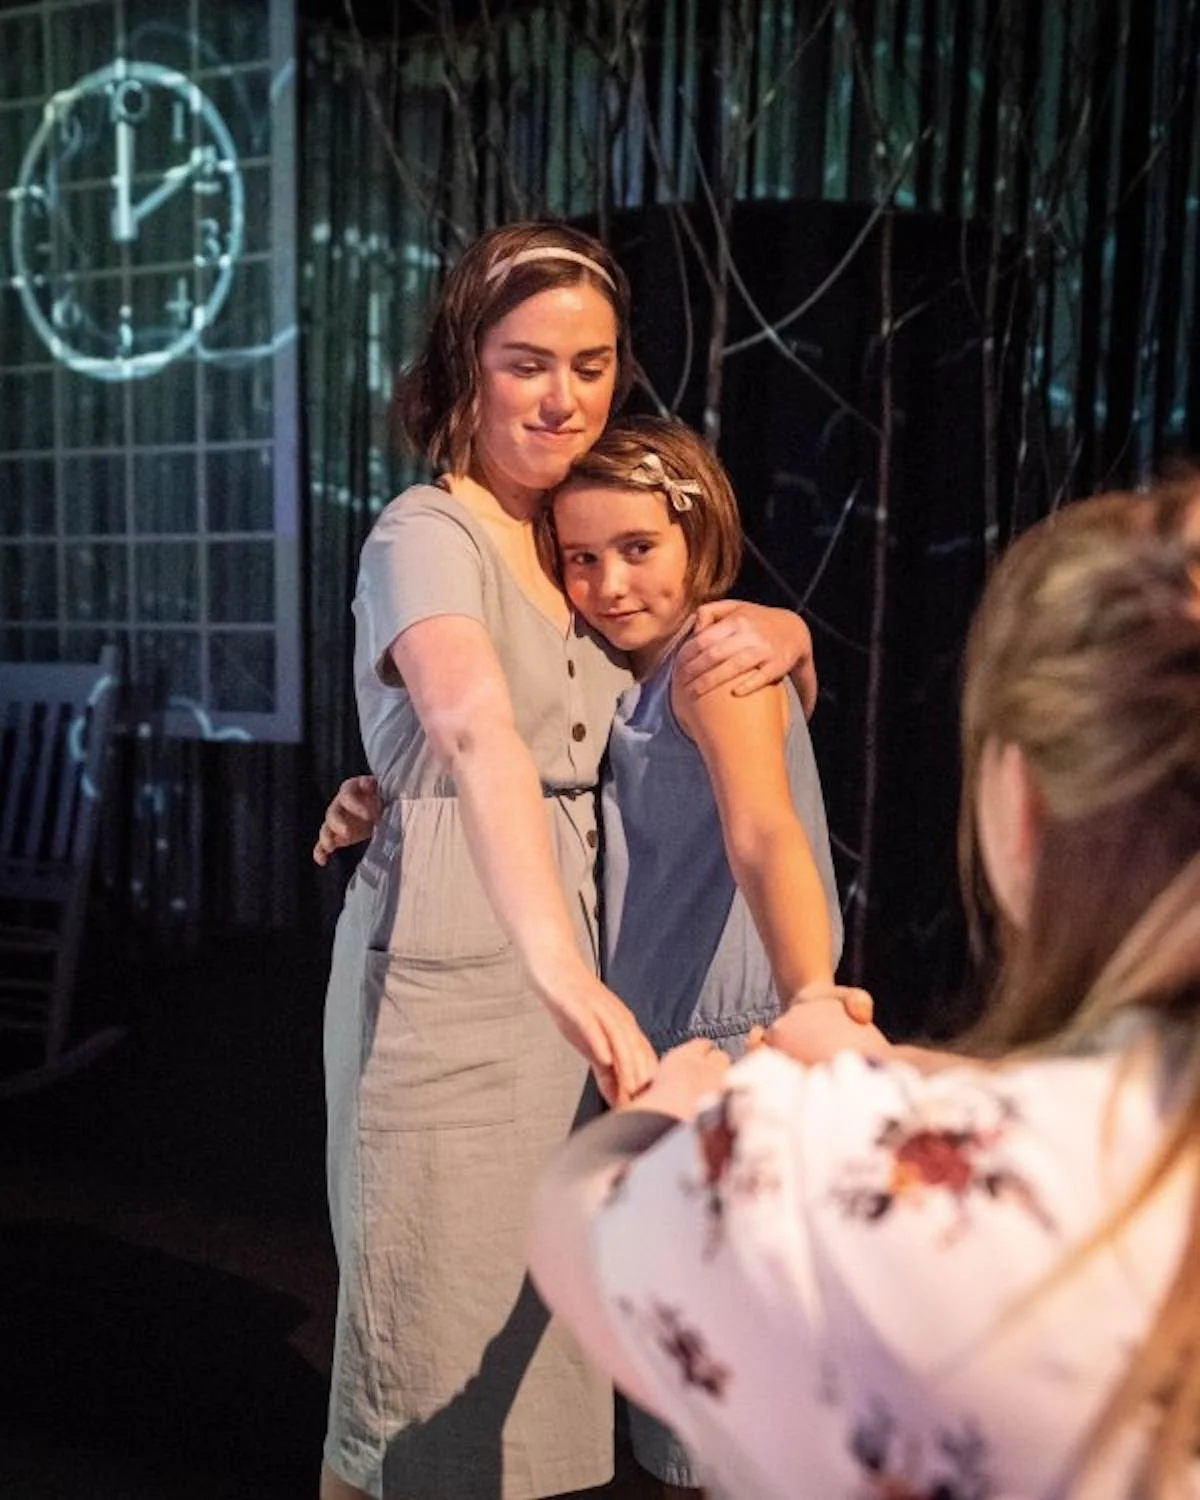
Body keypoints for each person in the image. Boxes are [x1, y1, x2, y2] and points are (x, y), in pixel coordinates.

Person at [529, 477, 1200, 1499]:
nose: (609, 581)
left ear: (1020, 803)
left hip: (707, 1045)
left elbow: (586, 1231)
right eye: (582, 557)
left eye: (636, 548)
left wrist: (725, 1070)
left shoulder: (889, 1181)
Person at [317, 220, 816, 1500]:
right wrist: (556, 968)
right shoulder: (426, 530)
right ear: (464, 368)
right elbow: (475, 727)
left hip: (580, 992)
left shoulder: (573, 544)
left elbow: (665, 711)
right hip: (470, 969)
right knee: (418, 1358)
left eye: (590, 366)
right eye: (527, 363)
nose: (562, 398)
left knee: (535, 1366)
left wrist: (786, 629)